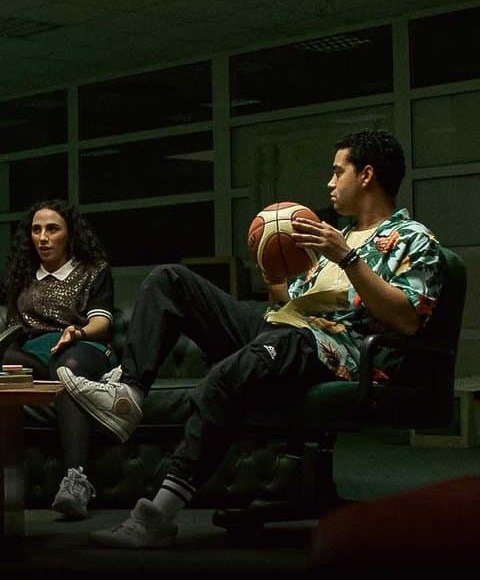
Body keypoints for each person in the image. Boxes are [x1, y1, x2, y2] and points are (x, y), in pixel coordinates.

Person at [81, 129, 442, 548]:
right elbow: (289, 304)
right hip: (285, 329)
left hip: (333, 348)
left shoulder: (412, 238)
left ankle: (157, 515)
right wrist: (274, 278)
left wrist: (346, 257)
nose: (329, 183)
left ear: (366, 175)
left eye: (337, 171)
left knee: (228, 376)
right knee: (169, 280)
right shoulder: (332, 236)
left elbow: (407, 320)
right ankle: (128, 394)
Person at [0, 199, 114, 520]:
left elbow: (101, 322)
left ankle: (76, 483)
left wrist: (77, 332)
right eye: (36, 230)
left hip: (83, 346)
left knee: (67, 371)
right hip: (37, 352)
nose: (43, 237)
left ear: (70, 234)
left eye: (52, 229)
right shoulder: (23, 275)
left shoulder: (93, 271)